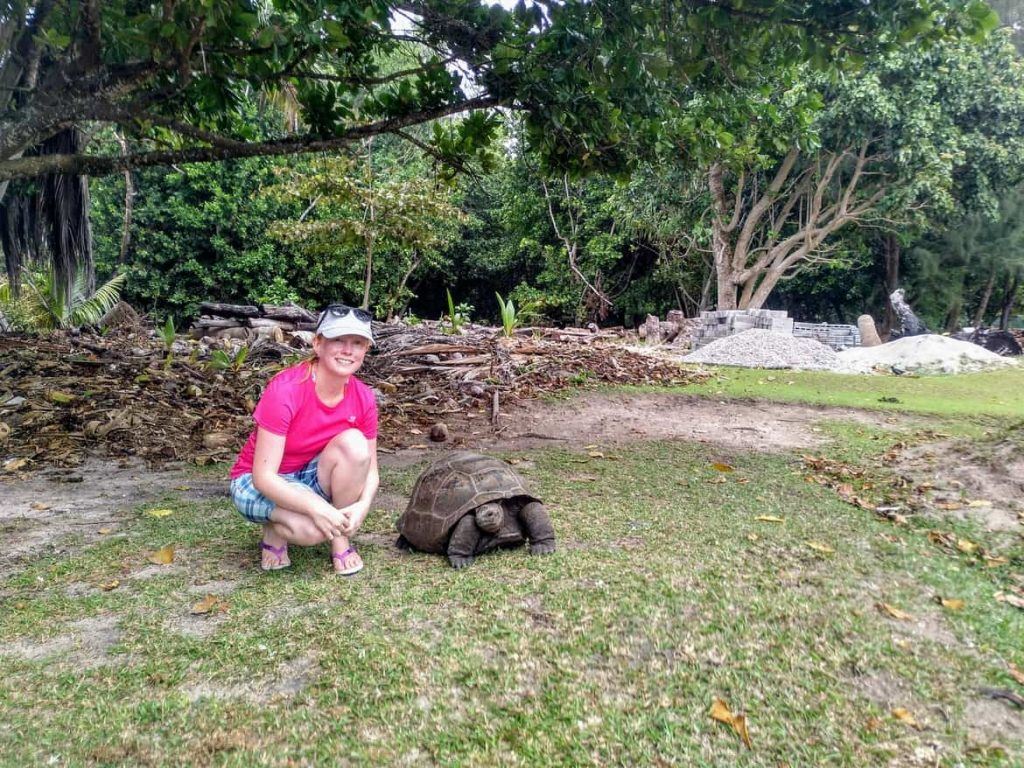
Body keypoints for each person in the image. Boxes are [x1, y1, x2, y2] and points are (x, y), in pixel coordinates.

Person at [228, 304, 379, 575]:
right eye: (338, 341)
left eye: (357, 343)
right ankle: (275, 530)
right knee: (310, 531)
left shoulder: (364, 397)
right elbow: (264, 477)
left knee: (355, 446)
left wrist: (362, 506)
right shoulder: (286, 390)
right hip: (257, 479)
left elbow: (371, 470)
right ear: (318, 344)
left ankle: (340, 538)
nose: (348, 350)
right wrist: (316, 507)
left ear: (365, 350)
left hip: (308, 475)